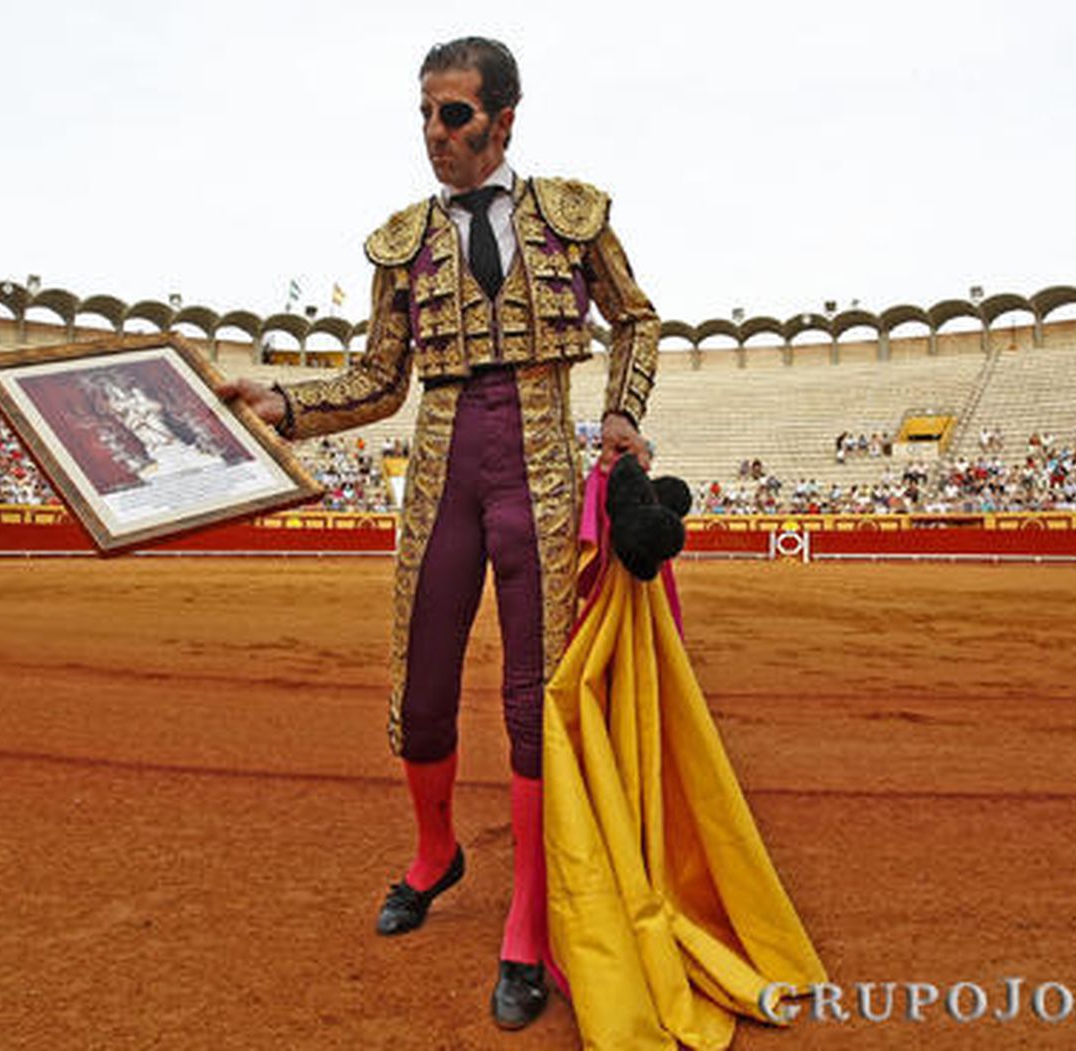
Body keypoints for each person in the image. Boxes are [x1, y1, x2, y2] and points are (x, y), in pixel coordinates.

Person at [217, 35, 658, 1031]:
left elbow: (636, 319)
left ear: (503, 119)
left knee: (530, 695)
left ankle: (527, 918)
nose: (433, 134)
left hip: (541, 464)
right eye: (423, 114)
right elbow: (380, 378)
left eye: (453, 115)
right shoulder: (400, 242)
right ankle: (434, 851)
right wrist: (280, 401)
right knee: (420, 687)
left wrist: (623, 413)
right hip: (444, 465)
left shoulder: (573, 216)